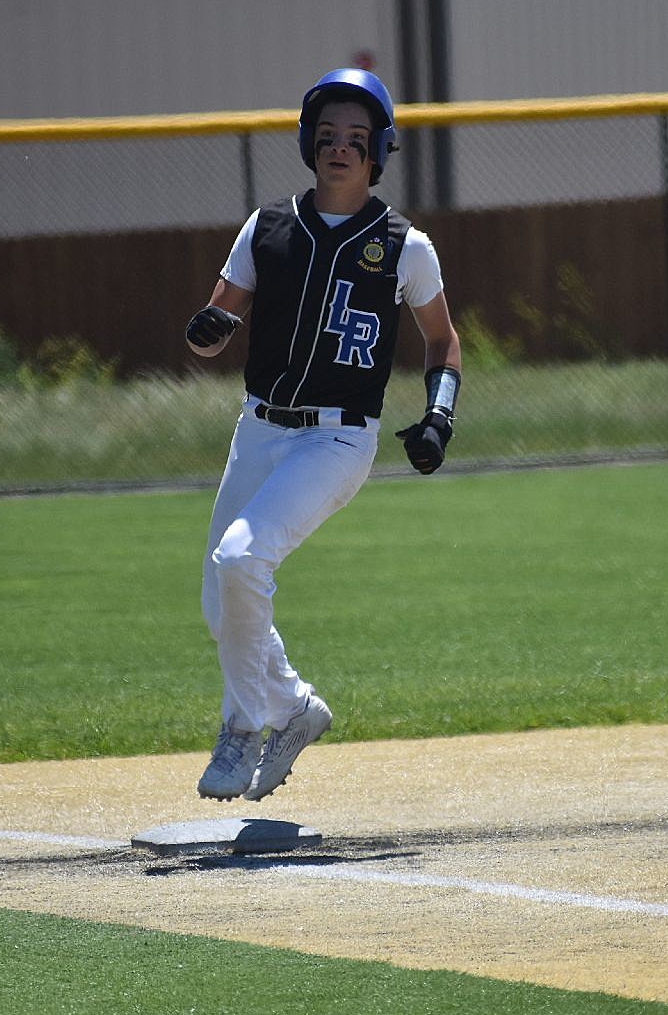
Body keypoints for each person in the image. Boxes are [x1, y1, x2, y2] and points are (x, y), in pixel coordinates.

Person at [184, 68, 462, 802]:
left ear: (379, 154)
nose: (341, 148)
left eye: (357, 139)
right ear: (309, 143)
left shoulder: (406, 244)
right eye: (328, 135)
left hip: (337, 441)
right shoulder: (267, 225)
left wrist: (440, 414)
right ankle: (296, 709)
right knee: (223, 602)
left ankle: (245, 723)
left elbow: (443, 341)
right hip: (259, 428)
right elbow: (218, 321)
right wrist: (207, 330)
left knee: (241, 558)